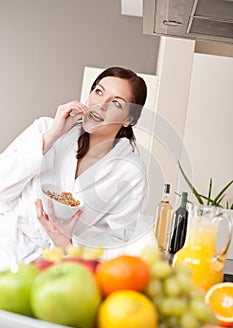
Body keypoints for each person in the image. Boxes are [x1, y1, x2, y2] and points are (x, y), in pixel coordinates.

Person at [0, 66, 148, 270]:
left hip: (59, 269)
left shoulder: (130, 173)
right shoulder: (44, 129)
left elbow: (118, 243)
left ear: (128, 119)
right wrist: (52, 136)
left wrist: (69, 245)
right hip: (6, 248)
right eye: (98, 91)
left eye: (116, 103)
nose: (101, 105)